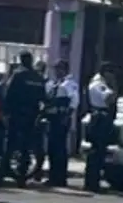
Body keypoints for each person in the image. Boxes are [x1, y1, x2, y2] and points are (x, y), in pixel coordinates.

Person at [0, 51, 45, 187]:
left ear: (21, 60)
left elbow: (8, 94)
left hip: (17, 115)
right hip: (32, 116)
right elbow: (43, 97)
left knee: (9, 146)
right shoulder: (38, 77)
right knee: (25, 148)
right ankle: (21, 178)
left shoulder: (18, 75)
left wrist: (5, 112)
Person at [44, 59, 80, 188]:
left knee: (59, 149)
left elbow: (74, 101)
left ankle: (60, 178)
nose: (57, 71)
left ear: (65, 70)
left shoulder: (69, 84)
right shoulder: (56, 83)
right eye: (56, 69)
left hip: (61, 118)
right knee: (52, 149)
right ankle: (53, 177)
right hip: (53, 118)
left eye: (59, 69)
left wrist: (66, 116)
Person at [84, 62, 118, 193]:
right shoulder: (99, 84)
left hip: (99, 117)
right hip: (100, 118)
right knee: (97, 152)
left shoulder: (98, 82)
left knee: (98, 152)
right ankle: (92, 183)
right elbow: (109, 99)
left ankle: (93, 181)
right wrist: (114, 87)